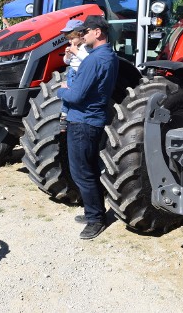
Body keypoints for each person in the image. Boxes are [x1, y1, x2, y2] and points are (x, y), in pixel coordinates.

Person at [57, 15, 118, 239]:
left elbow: (76, 95)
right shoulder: (107, 56)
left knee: (82, 172)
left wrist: (61, 90)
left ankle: (95, 219)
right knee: (89, 169)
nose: (82, 36)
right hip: (90, 120)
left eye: (86, 32)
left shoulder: (93, 60)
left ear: (98, 33)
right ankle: (95, 210)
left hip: (83, 121)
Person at [59, 19, 89, 131]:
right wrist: (67, 55)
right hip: (71, 72)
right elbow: (67, 62)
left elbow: (87, 60)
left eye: (72, 39)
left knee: (71, 94)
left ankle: (67, 115)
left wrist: (75, 51)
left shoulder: (85, 48)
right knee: (66, 95)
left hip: (78, 74)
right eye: (69, 39)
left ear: (81, 35)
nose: (70, 41)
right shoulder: (74, 47)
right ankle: (64, 114)